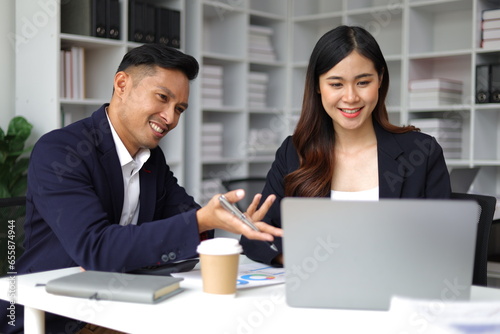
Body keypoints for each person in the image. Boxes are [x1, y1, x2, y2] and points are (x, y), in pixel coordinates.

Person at [0, 44, 281, 334]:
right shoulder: (60, 151)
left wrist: (231, 220)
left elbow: (191, 223)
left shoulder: (151, 158)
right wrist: (200, 221)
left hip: (121, 306)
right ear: (122, 84)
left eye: (179, 109)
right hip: (52, 316)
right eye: (162, 98)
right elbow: (95, 248)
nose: (170, 118)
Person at [240, 25, 451, 266]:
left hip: (398, 293)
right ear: (318, 86)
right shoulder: (294, 152)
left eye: (363, 82)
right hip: (316, 288)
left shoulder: (421, 152)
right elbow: (254, 235)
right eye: (336, 84)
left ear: (380, 79)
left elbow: (444, 242)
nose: (350, 97)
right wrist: (302, 263)